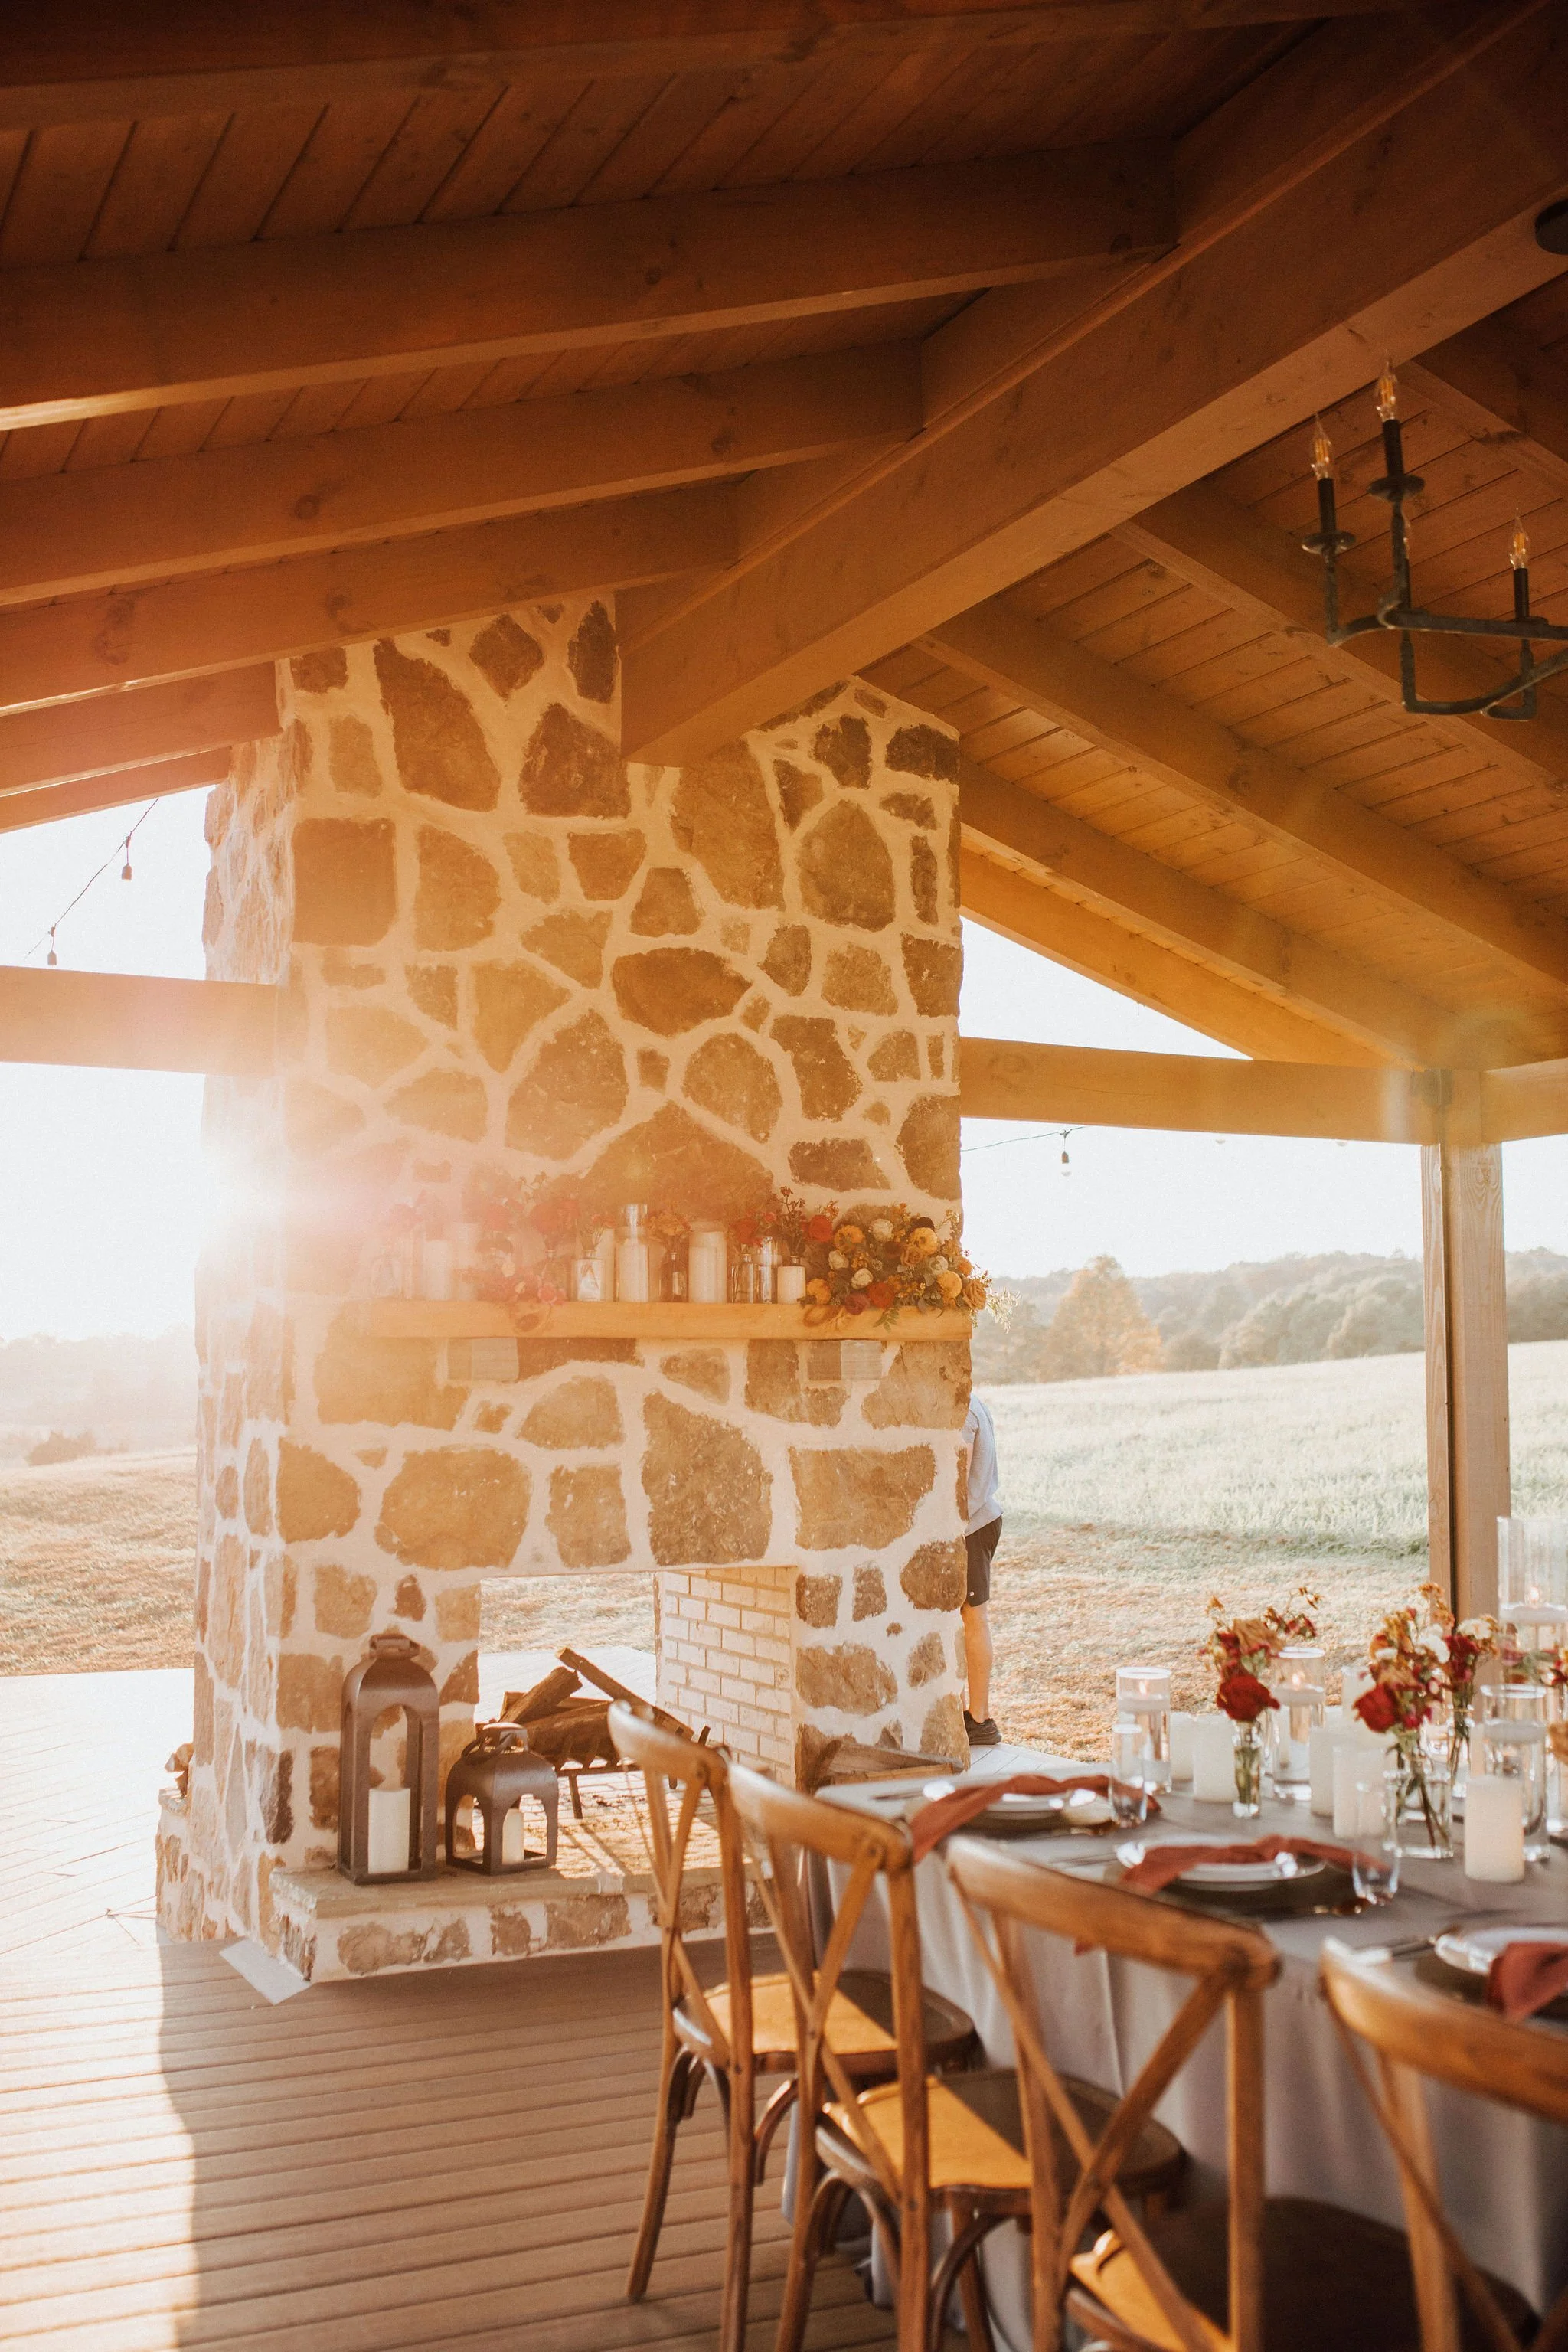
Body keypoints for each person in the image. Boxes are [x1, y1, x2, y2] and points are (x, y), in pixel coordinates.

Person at [962, 1391, 1003, 1746]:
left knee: (974, 1617)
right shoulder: (973, 1401)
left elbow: (961, 1487)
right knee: (962, 1619)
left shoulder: (964, 1409)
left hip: (972, 1526)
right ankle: (966, 1711)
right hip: (977, 1520)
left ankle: (981, 1719)